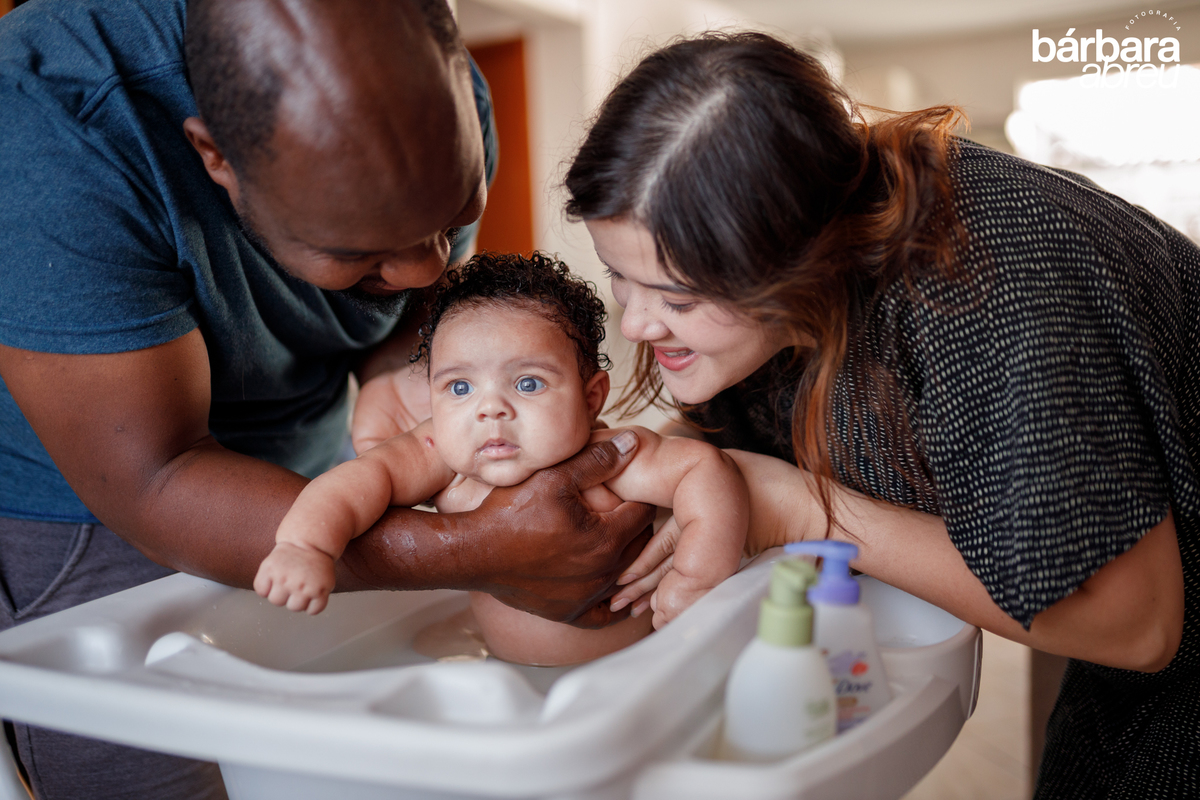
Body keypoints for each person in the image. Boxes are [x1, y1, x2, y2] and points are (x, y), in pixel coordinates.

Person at [0, 1, 653, 797]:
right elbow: (154, 476)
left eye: (452, 222)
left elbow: (423, 298)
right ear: (214, 156)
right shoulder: (52, 124)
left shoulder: (430, 86)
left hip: (315, 451)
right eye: (362, 254)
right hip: (100, 502)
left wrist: (394, 371)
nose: (422, 274)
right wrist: (474, 548)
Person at [565, 31, 1198, 799]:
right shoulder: (799, 272)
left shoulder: (989, 285)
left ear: (798, 256)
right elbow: (746, 437)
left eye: (680, 299)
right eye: (618, 278)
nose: (634, 324)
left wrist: (804, 513)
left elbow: (1136, 625)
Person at [254, 252, 748, 664]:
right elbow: (355, 481)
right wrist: (305, 547)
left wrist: (697, 578)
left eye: (528, 383)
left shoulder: (611, 456)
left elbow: (706, 469)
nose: (490, 408)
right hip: (496, 669)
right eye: (460, 387)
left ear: (591, 397)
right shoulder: (439, 454)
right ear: (430, 395)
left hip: (622, 677)